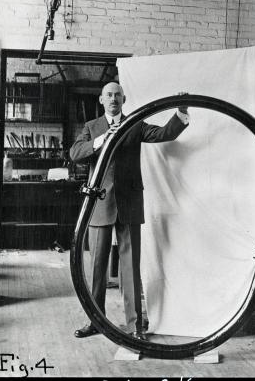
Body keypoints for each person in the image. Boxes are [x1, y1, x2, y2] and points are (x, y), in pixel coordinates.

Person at [70, 82, 189, 338]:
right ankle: (95, 322)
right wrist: (102, 140)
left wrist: (180, 111)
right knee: (97, 269)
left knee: (130, 269)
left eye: (118, 95)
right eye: (109, 95)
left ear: (124, 99)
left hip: (130, 204)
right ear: (102, 100)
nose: (113, 99)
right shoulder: (92, 128)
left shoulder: (135, 124)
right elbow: (75, 153)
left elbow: (165, 133)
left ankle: (134, 326)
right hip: (100, 204)